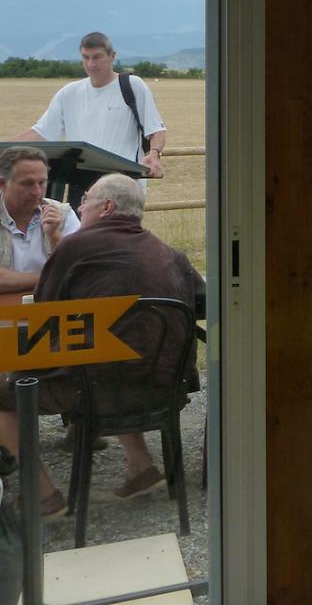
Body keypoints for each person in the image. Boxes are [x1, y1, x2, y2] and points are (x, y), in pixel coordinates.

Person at [0, 174, 202, 518]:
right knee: (113, 354)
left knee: (5, 391)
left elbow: (43, 319)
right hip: (166, 389)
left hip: (101, 392)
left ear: (106, 208)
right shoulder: (167, 252)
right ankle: (141, 465)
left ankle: (42, 495)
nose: (79, 207)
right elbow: (202, 302)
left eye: (86, 201)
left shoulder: (75, 247)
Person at [11, 32, 166, 204]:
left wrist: (154, 153)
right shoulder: (69, 93)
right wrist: (4, 150)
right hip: (80, 184)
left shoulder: (132, 86)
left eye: (97, 57)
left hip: (123, 186)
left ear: (112, 56)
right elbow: (41, 132)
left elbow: (156, 129)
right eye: (86, 57)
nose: (91, 64)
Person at [0, 146, 79, 298]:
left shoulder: (64, 214)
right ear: (2, 184)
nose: (37, 191)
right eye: (27, 184)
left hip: (50, 316)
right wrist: (50, 277)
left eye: (42, 183)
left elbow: (78, 271)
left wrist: (55, 237)